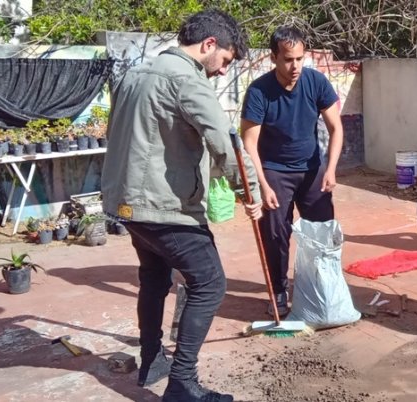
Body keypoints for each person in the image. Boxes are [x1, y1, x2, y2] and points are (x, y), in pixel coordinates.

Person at [101, 9, 262, 402]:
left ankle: (152, 360)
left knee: (154, 280)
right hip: (164, 206)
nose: (223, 71)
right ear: (209, 45)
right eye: (224, 60)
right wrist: (250, 193)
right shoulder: (187, 81)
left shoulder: (133, 74)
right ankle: (182, 383)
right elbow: (225, 144)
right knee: (210, 283)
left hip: (127, 203)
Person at [240, 26, 344, 316]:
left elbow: (336, 128)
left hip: (312, 169)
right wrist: (262, 184)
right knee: (275, 234)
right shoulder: (259, 91)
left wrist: (331, 169)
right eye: (288, 59)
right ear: (273, 58)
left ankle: (320, 286)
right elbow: (250, 143)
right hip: (274, 171)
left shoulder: (316, 82)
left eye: (300, 58)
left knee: (322, 232)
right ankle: (278, 288)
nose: (295, 66)